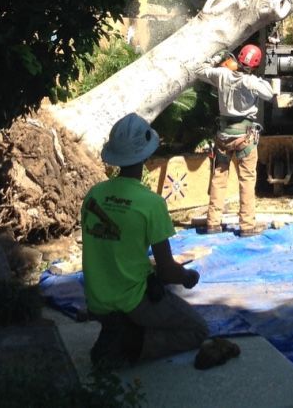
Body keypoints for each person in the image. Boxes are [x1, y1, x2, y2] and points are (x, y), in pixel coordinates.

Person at [81, 112, 214, 367]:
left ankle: (118, 327)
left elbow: (106, 246)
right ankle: (129, 344)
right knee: (197, 329)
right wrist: (187, 277)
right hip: (133, 300)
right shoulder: (150, 203)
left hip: (97, 299)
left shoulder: (94, 195)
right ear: (146, 155)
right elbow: (166, 271)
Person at [196, 44, 274, 236]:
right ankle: (247, 225)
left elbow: (199, 70)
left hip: (224, 136)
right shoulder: (251, 82)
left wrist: (217, 58)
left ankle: (213, 223)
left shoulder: (222, 75)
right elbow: (269, 93)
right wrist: (254, 77)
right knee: (246, 179)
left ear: (238, 58)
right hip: (245, 137)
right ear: (255, 64)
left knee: (219, 177)